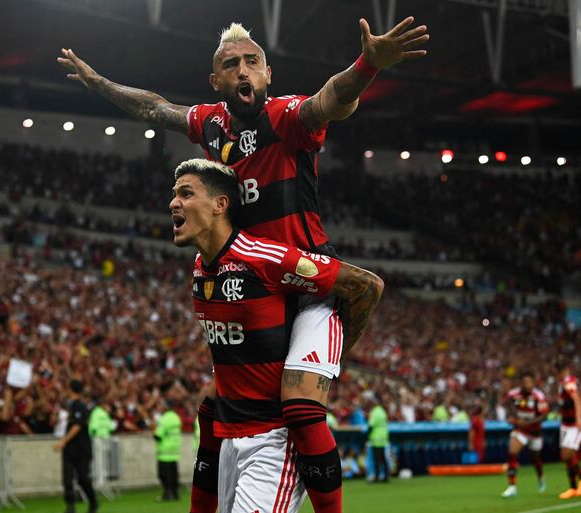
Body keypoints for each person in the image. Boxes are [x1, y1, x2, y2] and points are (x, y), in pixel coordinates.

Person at [58, 18, 424, 513]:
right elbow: (153, 106)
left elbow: (330, 101)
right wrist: (99, 84)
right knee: (217, 408)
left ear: (268, 74)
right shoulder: (210, 123)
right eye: (231, 64)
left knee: (296, 405)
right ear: (217, 82)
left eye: (253, 61)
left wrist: (369, 65)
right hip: (253, 280)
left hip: (308, 282)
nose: (243, 70)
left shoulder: (284, 117)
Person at [169, 158, 383, 513]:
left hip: (273, 443)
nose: (173, 203)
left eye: (186, 193)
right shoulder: (200, 269)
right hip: (228, 442)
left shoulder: (264, 259)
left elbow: (367, 286)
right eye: (174, 194)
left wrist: (331, 363)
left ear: (221, 204)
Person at [501, 372, 549, 498]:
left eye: (530, 382)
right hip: (520, 430)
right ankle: (512, 487)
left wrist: (526, 423)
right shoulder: (513, 394)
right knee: (512, 452)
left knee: (535, 458)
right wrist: (510, 416)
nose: (528, 385)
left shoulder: (539, 396)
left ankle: (541, 478)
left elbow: (544, 416)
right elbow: (507, 404)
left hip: (535, 432)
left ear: (533, 383)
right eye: (525, 383)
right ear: (521, 384)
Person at [54, 379, 98, 513]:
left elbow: (77, 426)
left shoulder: (80, 406)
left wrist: (63, 441)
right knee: (67, 478)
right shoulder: (71, 406)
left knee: (83, 479)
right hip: (70, 449)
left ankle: (93, 501)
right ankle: (70, 507)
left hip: (81, 448)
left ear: (71, 390)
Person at [557, 364, 581, 499]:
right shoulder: (562, 383)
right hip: (565, 424)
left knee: (567, 455)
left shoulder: (568, 381)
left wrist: (578, 419)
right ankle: (574, 487)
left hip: (573, 425)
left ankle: (577, 485)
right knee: (568, 457)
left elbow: (576, 398)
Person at [154, 399, 182, 501]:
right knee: (174, 475)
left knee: (164, 476)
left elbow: (158, 435)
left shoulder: (164, 419)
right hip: (174, 452)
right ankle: (175, 494)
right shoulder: (176, 417)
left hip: (164, 453)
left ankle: (167, 494)